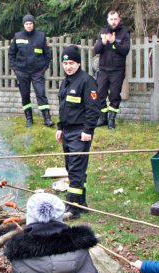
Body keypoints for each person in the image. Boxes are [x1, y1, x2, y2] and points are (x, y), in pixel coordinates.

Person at [56, 45, 100, 217]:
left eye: (72, 63)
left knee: (75, 169)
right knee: (73, 168)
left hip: (80, 132)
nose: (68, 66)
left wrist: (88, 129)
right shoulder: (66, 81)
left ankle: (72, 206)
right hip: (67, 132)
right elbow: (63, 108)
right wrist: (60, 127)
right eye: (65, 63)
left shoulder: (86, 81)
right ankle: (81, 203)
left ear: (79, 63)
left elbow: (93, 108)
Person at [8, 14, 55, 128]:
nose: (29, 26)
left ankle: (47, 118)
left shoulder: (41, 36)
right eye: (26, 24)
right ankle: (29, 118)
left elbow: (47, 55)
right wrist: (15, 69)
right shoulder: (18, 36)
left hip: (37, 72)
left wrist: (43, 68)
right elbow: (11, 54)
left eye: (30, 23)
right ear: (24, 25)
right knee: (25, 95)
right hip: (22, 72)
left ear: (33, 24)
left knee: (41, 93)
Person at [93, 10, 130, 129]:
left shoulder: (124, 33)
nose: (113, 22)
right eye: (111, 19)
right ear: (108, 20)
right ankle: (102, 118)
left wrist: (114, 42)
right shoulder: (103, 32)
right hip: (103, 69)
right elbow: (96, 50)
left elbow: (125, 50)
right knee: (100, 94)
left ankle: (111, 120)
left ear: (119, 20)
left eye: (115, 19)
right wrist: (103, 42)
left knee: (114, 95)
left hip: (117, 70)